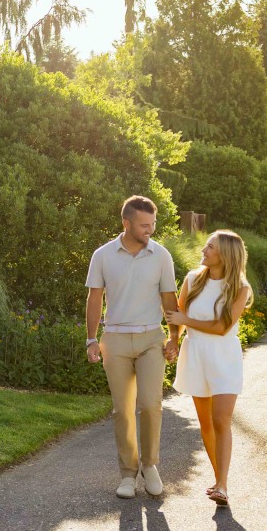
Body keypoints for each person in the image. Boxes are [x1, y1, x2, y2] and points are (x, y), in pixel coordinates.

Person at [85, 195, 180, 499]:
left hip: (151, 337)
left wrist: (174, 337)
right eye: (143, 225)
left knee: (151, 404)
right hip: (115, 339)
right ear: (126, 223)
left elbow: (169, 299)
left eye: (152, 224)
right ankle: (128, 473)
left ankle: (149, 466)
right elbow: (95, 298)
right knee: (123, 410)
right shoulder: (103, 255)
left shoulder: (161, 255)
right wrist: (91, 339)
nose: (150, 229)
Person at [164, 230, 252, 507]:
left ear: (225, 254)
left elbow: (222, 327)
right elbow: (175, 316)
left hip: (224, 357)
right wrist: (174, 339)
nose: (204, 250)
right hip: (196, 354)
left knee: (221, 420)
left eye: (210, 247)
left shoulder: (240, 288)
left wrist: (186, 320)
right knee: (206, 423)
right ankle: (218, 480)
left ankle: (222, 485)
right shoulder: (192, 279)